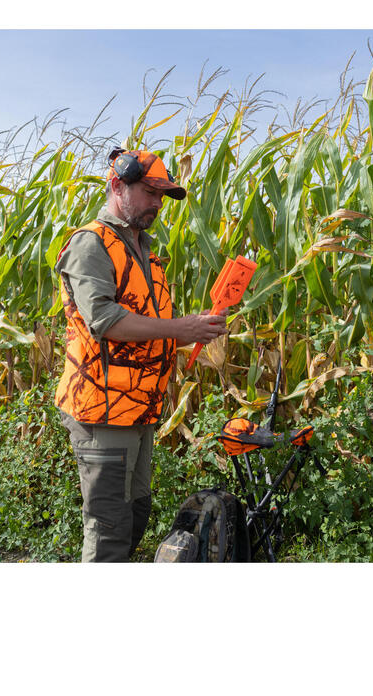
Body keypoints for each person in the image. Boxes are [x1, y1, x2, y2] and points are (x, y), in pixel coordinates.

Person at [53, 147, 228, 562]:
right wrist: (179, 328)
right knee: (110, 527)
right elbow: (106, 320)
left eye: (162, 195)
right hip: (102, 409)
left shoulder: (149, 256)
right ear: (117, 185)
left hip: (140, 411)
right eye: (149, 192)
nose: (157, 203)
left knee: (136, 515)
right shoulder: (91, 244)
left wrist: (197, 329)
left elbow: (149, 329)